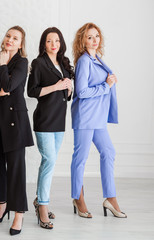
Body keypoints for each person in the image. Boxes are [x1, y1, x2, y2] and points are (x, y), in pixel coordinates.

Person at [71, 23, 126, 218]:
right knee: (81, 159)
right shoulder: (84, 61)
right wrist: (106, 85)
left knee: (108, 152)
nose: (94, 40)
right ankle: (78, 198)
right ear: (82, 41)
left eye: (96, 36)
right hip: (86, 116)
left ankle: (110, 198)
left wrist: (110, 80)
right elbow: (82, 91)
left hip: (98, 117)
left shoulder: (98, 59)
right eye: (89, 37)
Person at [0, 26, 33, 236]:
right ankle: (2, 206)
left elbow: (9, 86)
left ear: (21, 44)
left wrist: (3, 66)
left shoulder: (22, 62)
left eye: (15, 38)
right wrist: (0, 87)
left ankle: (18, 213)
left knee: (15, 169)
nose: (10, 40)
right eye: (8, 36)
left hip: (14, 121)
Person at [27, 27, 74, 229]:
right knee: (50, 160)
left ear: (61, 43)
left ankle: (40, 200)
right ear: (43, 44)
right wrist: (56, 86)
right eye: (49, 41)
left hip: (59, 121)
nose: (53, 44)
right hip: (44, 120)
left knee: (49, 163)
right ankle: (43, 207)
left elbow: (66, 94)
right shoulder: (39, 63)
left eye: (56, 40)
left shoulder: (63, 63)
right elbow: (31, 91)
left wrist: (69, 88)